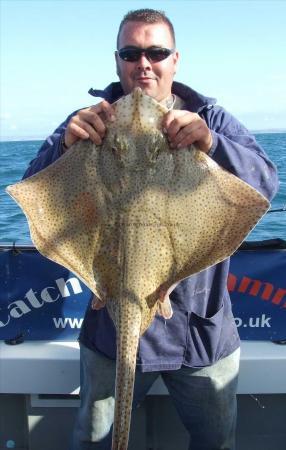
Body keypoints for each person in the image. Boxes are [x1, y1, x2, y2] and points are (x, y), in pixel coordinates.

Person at [23, 8, 278, 450]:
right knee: (95, 439)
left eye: (156, 51)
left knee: (215, 442)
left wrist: (211, 145)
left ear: (175, 59)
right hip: (111, 323)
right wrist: (66, 144)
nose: (144, 63)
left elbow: (265, 183)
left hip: (200, 331)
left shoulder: (210, 119)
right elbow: (34, 190)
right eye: (131, 52)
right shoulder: (88, 121)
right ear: (118, 59)